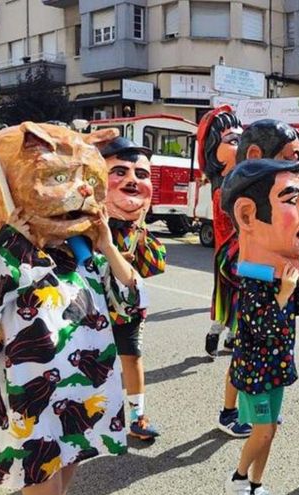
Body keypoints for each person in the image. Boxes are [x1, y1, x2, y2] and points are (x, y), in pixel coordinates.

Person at [0, 123, 146, 494]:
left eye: (86, 178)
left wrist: (108, 246)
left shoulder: (82, 257)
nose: (80, 191)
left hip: (79, 396)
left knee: (68, 470)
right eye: (60, 177)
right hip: (35, 405)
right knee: (43, 486)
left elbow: (131, 302)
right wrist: (13, 243)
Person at [221, 159, 299, 495]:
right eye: (292, 200)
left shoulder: (280, 275)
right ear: (247, 215)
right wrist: (284, 293)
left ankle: (256, 484)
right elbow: (262, 329)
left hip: (277, 367)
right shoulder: (254, 280)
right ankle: (237, 478)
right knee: (261, 430)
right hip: (256, 369)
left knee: (270, 430)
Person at [101, 137, 166, 441]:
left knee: (132, 356)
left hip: (127, 306)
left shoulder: (137, 229)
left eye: (141, 175)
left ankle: (138, 417)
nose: (132, 181)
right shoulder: (83, 224)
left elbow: (153, 266)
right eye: (120, 172)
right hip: (88, 307)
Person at [196, 106, 253, 439]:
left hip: (243, 267)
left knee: (247, 343)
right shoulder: (225, 189)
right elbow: (240, 231)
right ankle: (230, 412)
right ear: (212, 151)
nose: (241, 144)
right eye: (233, 139)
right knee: (241, 338)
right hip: (234, 265)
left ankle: (247, 407)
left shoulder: (240, 181)